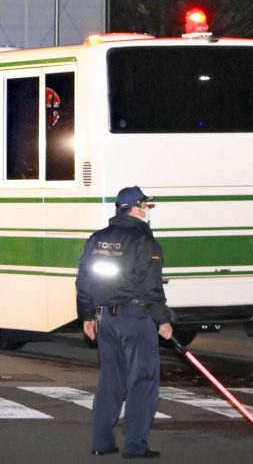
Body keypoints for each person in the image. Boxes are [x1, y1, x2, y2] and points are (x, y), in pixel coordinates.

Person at [76, 186, 175, 460]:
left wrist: (87, 315)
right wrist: (163, 320)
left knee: (111, 381)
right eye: (145, 205)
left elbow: (84, 282)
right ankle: (135, 446)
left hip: (106, 319)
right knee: (142, 381)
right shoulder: (144, 241)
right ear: (134, 207)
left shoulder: (98, 239)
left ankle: (101, 442)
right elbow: (151, 288)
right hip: (137, 319)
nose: (148, 211)